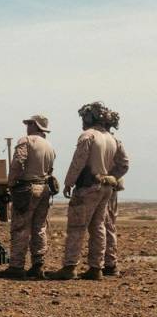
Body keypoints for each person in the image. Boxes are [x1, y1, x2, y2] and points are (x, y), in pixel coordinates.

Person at [49, 102, 129, 280]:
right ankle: (96, 268)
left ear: (89, 117)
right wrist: (111, 177)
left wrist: (69, 182)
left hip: (87, 187)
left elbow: (78, 161)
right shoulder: (112, 139)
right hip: (105, 189)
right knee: (98, 227)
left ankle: (69, 267)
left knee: (77, 227)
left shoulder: (88, 136)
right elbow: (124, 163)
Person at [0, 115, 56, 279]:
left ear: (35, 125)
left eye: (29, 123)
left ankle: (16, 266)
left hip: (27, 189)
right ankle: (38, 264)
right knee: (40, 228)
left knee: (20, 228)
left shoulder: (26, 141)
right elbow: (50, 169)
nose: (27, 126)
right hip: (44, 188)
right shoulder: (49, 146)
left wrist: (11, 182)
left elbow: (18, 162)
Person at [101, 110, 129, 277]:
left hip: (107, 188)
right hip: (106, 187)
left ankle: (110, 263)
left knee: (107, 224)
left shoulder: (111, 141)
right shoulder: (111, 141)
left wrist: (111, 177)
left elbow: (124, 164)